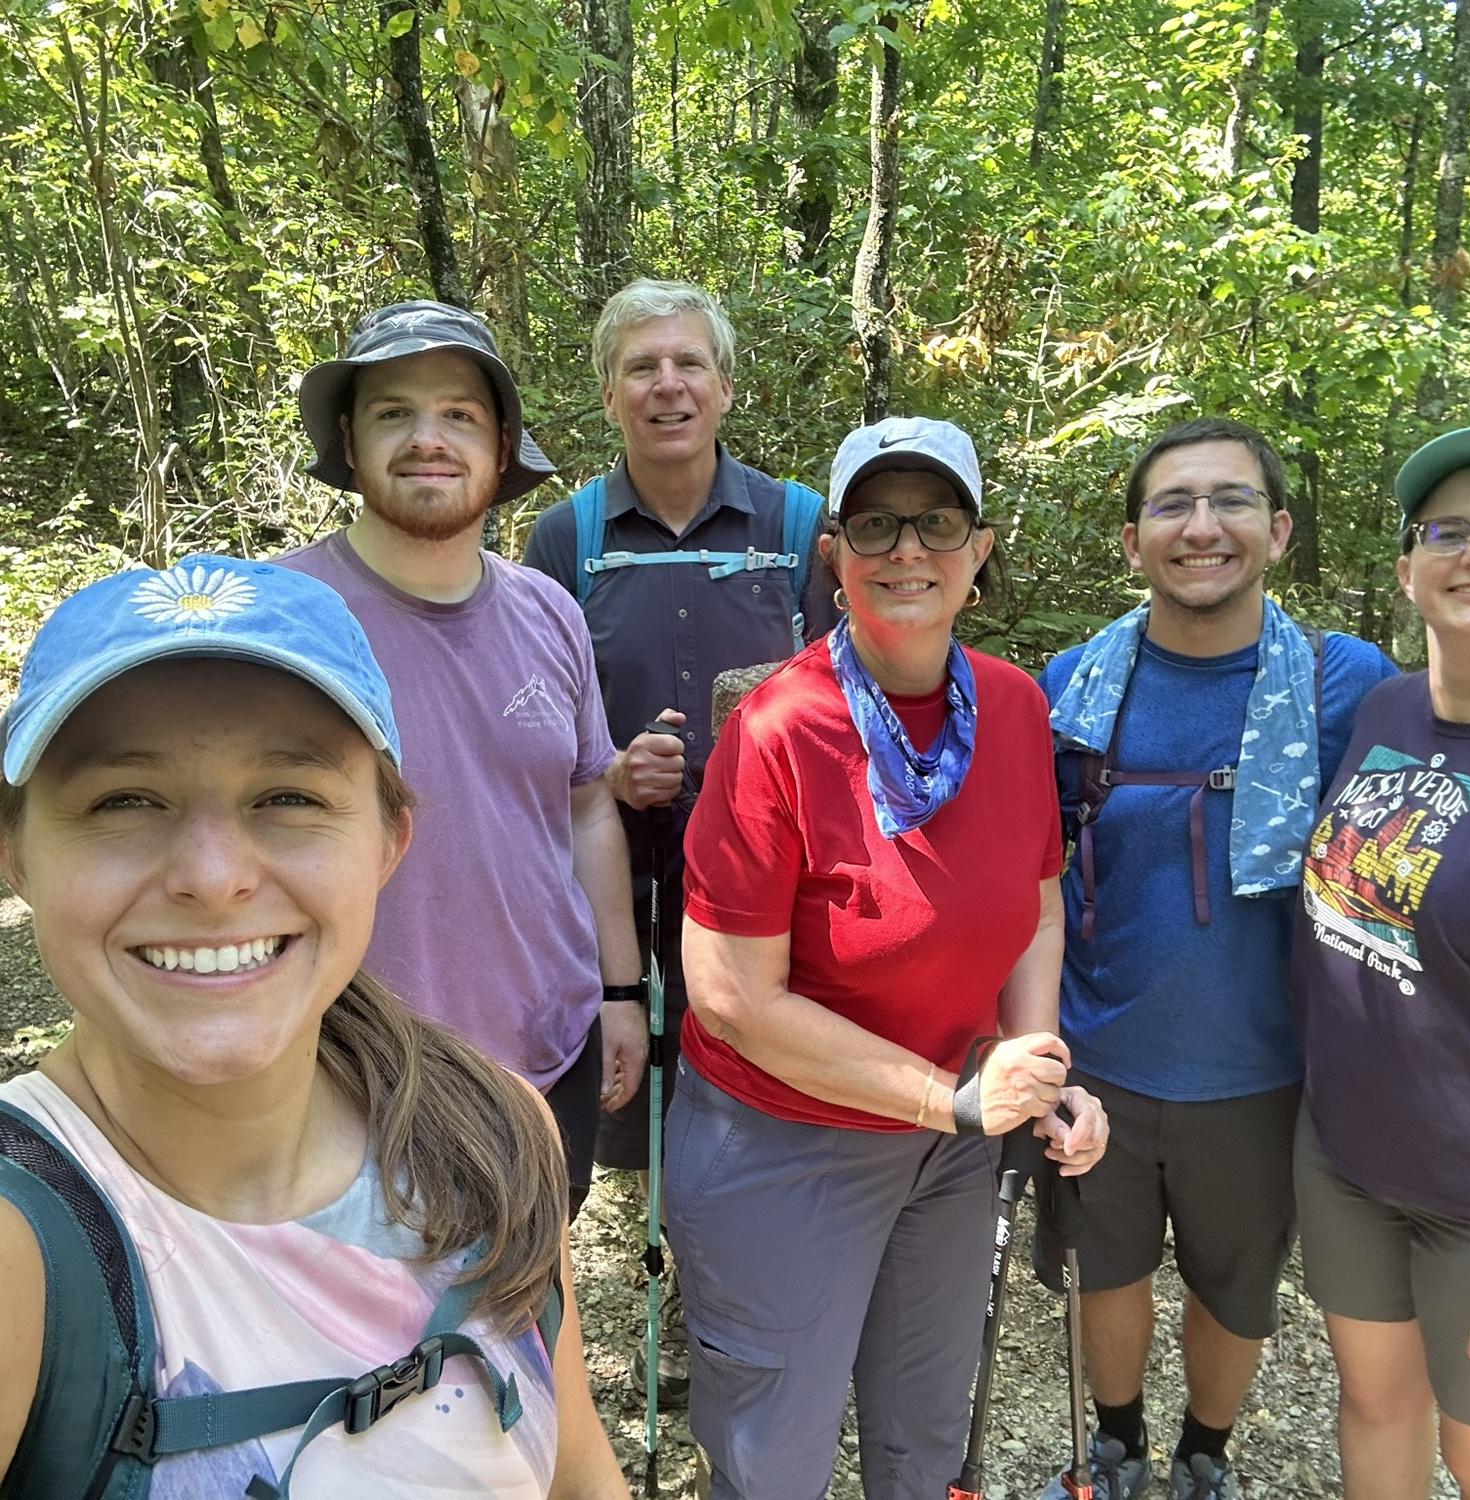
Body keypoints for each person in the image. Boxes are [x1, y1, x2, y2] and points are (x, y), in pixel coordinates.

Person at [0, 554, 629, 1498]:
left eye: (287, 797)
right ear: (17, 856)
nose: (213, 879)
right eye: (122, 801)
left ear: (388, 840)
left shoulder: (493, 1135)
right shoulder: (25, 1254)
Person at [663, 416, 1109, 1500]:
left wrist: (1035, 1064)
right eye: (875, 523)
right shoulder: (780, 728)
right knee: (777, 1458)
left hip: (950, 1145)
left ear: (979, 548)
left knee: (923, 1440)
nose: (907, 549)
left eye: (937, 521)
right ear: (835, 555)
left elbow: (1037, 904)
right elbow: (729, 994)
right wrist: (950, 1098)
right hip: (783, 1142)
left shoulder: (1012, 705)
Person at [1033, 417, 1398, 1500]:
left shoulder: (1346, 684)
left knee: (1234, 1286)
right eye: (1173, 505)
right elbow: (1031, 872)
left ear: (1278, 530)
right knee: (1108, 1272)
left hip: (1266, 1063)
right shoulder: (1073, 684)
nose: (1203, 527)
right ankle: (1117, 1441)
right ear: (1134, 540)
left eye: (1231, 501)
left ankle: (1205, 1454)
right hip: (1099, 1051)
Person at [522, 278, 831, 1396]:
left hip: (770, 885)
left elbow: (847, 706)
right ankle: (650, 1292)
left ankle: (742, 1292)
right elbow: (537, 714)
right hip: (625, 878)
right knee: (637, 1084)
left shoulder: (799, 529)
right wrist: (612, 769)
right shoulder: (566, 536)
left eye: (688, 363)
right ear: (609, 394)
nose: (668, 385)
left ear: (726, 385)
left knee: (754, 1078)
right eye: (643, 367)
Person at [283, 301, 645, 1220]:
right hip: (348, 1064)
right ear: (348, 440)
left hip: (546, 1048)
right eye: (393, 411)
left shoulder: (549, 612)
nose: (426, 439)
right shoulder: (285, 616)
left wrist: (618, 990)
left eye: (458, 413)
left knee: (527, 1318)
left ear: (501, 442)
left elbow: (587, 805)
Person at [1292, 426, 1470, 1499]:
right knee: (1375, 1407)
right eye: (1451, 531)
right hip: (1348, 1162)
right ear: (1409, 567)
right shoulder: (1379, 712)